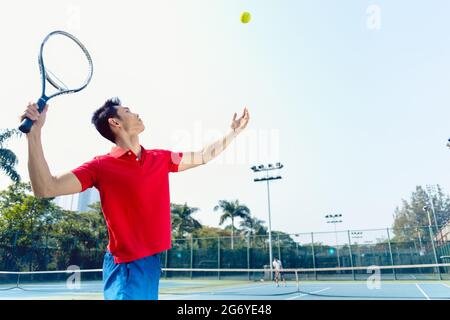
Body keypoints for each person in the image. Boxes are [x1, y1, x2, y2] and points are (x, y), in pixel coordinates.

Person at [20, 98, 250, 300]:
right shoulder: (100, 167)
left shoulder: (159, 158)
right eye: (128, 110)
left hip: (150, 264)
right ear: (115, 122)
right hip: (126, 267)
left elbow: (202, 156)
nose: (136, 113)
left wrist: (233, 132)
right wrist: (35, 134)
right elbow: (45, 187)